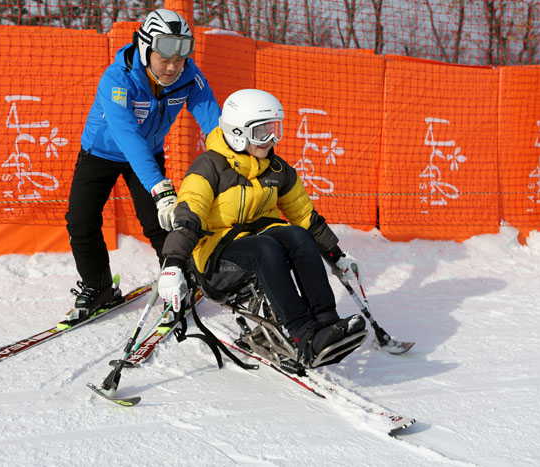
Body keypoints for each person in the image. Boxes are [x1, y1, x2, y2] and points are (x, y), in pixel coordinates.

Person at [157, 89, 366, 368]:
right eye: (262, 131)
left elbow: (304, 216)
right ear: (237, 133)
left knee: (298, 235)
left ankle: (327, 323)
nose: (271, 140)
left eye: (275, 129)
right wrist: (172, 264)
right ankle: (302, 336)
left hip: (256, 241)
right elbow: (189, 216)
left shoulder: (277, 169)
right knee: (265, 248)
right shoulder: (209, 167)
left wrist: (336, 255)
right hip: (216, 261)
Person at [65, 9, 221, 320]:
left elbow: (213, 123)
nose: (173, 67)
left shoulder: (190, 77)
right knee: (81, 222)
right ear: (146, 48)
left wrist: (229, 159)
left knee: (159, 223)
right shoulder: (116, 79)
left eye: (180, 59)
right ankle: (99, 288)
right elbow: (126, 135)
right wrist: (159, 187)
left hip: (148, 153)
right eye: (165, 59)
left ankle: (183, 282)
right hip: (102, 153)